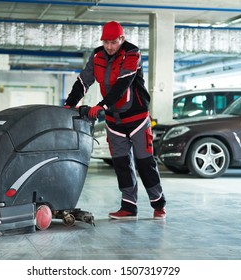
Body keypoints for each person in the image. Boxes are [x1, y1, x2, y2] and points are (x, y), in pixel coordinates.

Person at [64, 21, 166, 220]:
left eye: (113, 42)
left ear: (122, 39)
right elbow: (84, 80)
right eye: (106, 42)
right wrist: (69, 104)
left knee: (145, 163)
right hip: (114, 121)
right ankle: (129, 207)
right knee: (121, 164)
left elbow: (123, 84)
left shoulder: (132, 54)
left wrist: (101, 106)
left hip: (137, 119)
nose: (109, 46)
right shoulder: (97, 55)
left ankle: (158, 203)